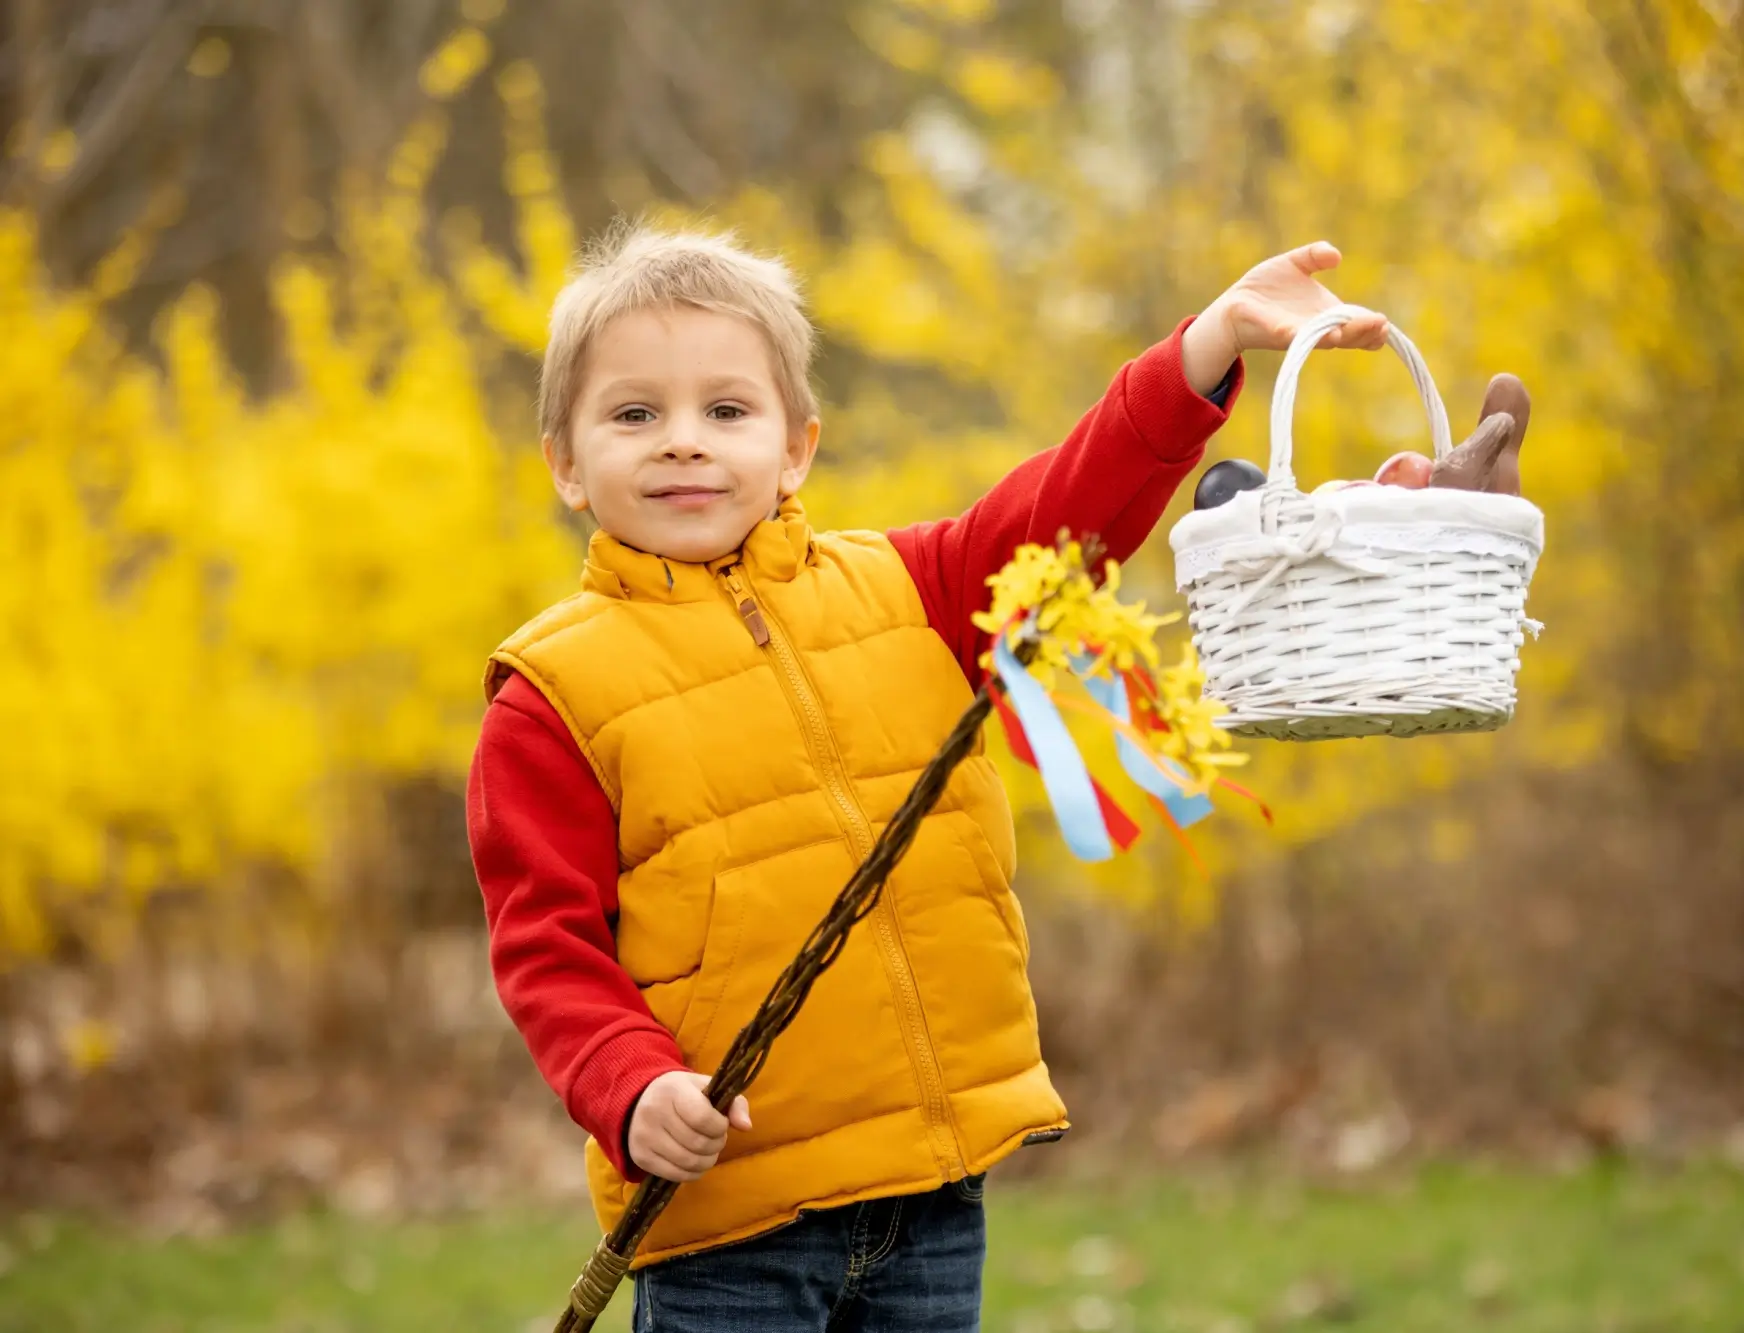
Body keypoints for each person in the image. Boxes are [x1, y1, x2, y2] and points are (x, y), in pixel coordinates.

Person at [466, 223, 1523, 1332]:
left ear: (795, 448)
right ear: (567, 463)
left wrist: (1207, 345)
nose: (682, 442)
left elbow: (1066, 505)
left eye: (725, 411)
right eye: (635, 414)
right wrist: (631, 1088)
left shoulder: (909, 589)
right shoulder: (552, 692)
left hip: (932, 1190)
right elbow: (547, 950)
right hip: (730, 1215)